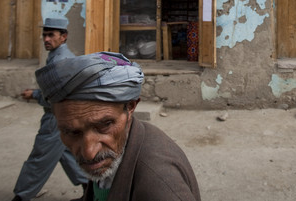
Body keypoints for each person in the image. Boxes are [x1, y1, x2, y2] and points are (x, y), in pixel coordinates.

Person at [35, 51, 201, 201]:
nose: (89, 153)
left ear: (130, 107)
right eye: (71, 132)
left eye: (104, 125)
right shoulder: (111, 154)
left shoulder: (158, 185)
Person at [12, 18, 88, 201]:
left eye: (51, 35)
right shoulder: (57, 55)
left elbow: (56, 97)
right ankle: (91, 191)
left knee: (39, 158)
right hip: (65, 115)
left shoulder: (60, 61)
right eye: (44, 35)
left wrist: (36, 95)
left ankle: (21, 197)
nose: (46, 39)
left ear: (63, 37)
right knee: (69, 154)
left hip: (56, 118)